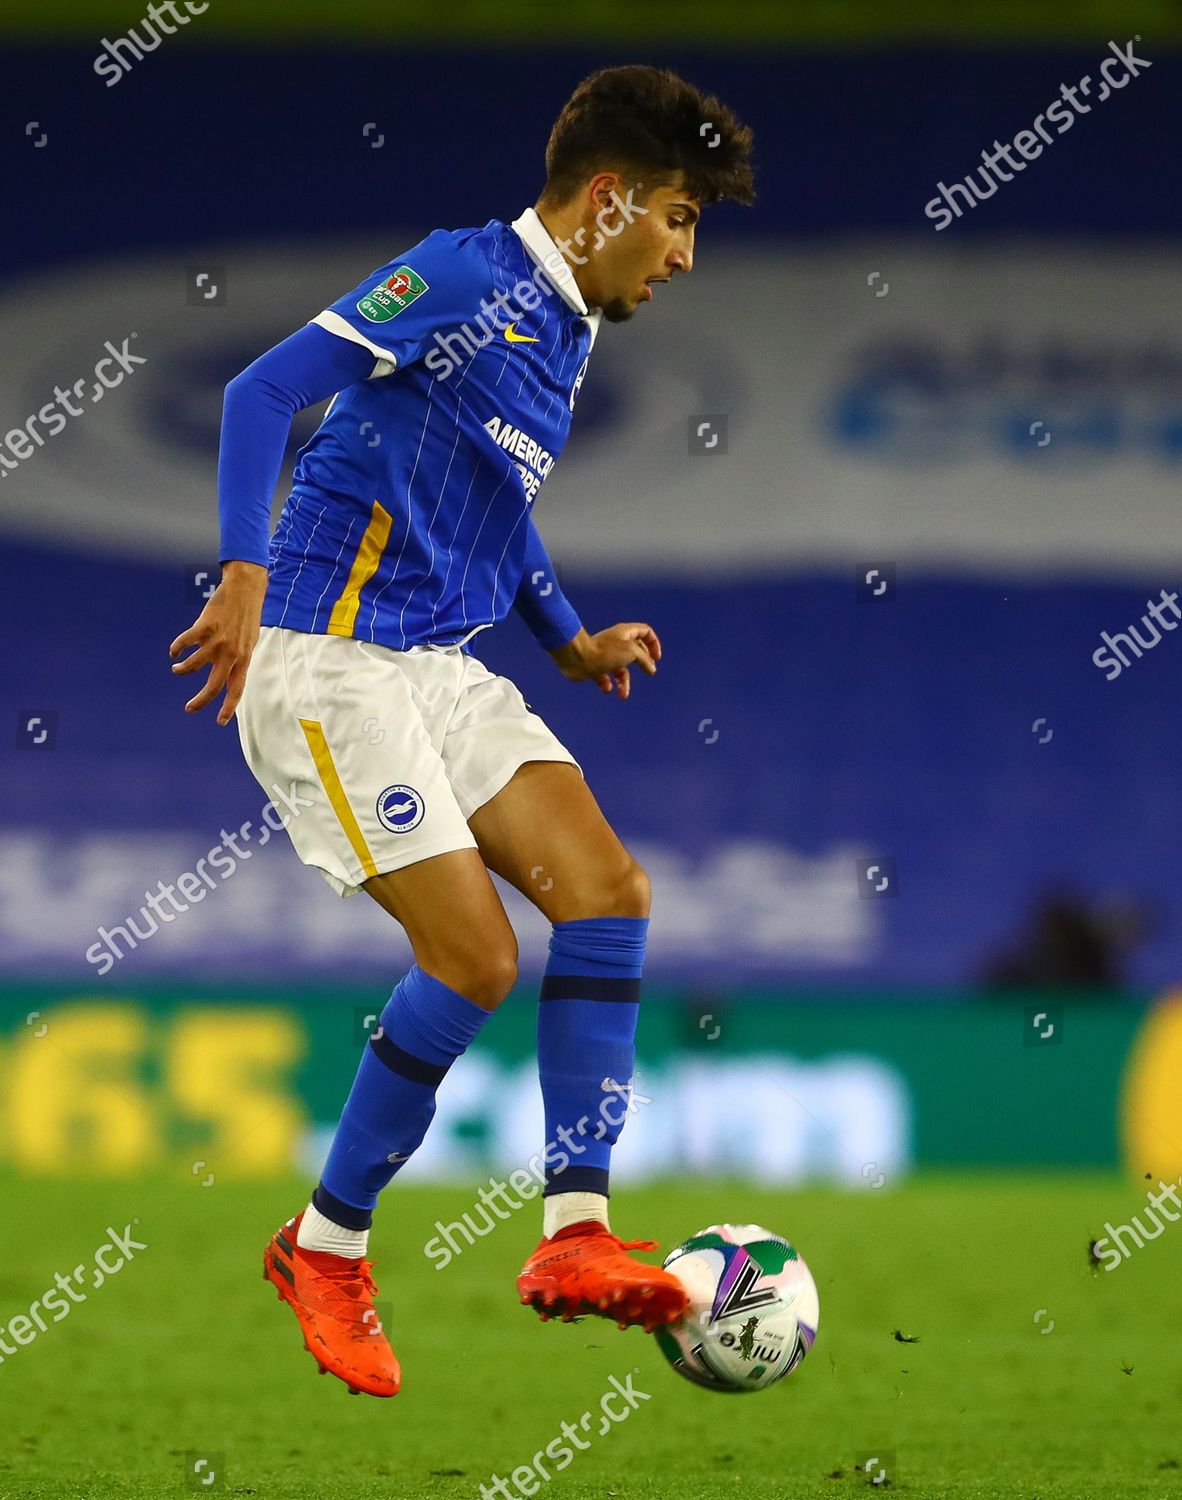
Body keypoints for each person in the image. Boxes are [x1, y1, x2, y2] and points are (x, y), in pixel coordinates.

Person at [170, 63, 755, 1398]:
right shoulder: (454, 275)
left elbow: (495, 491)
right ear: (604, 200)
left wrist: (564, 637)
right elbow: (259, 393)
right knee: (476, 958)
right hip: (323, 658)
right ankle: (324, 1247)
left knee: (605, 895)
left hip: (434, 666)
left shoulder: (568, 327)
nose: (680, 254)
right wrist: (244, 573)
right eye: (673, 217)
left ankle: (573, 1238)